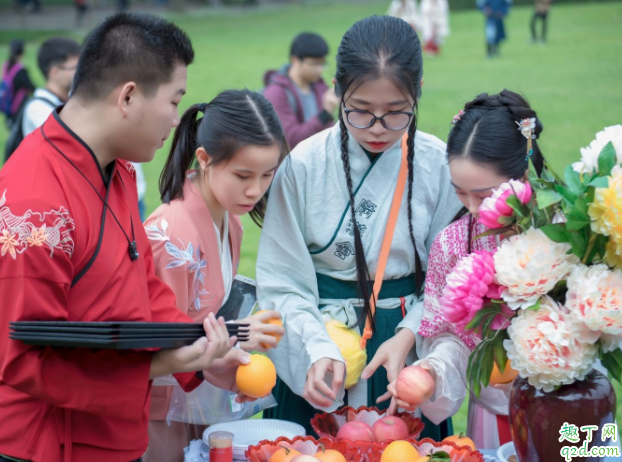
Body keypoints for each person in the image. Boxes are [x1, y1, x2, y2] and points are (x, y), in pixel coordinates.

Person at [0, 13, 251, 462]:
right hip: (49, 445)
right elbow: (23, 359)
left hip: (116, 435)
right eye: (174, 102)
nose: (177, 120)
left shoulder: (116, 167)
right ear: (129, 96)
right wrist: (161, 364)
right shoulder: (35, 206)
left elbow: (142, 285)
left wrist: (201, 351)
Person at [257, 15, 461, 439]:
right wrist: (314, 348)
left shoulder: (437, 163)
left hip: (405, 342)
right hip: (317, 339)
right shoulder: (303, 164)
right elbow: (282, 281)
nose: (377, 129)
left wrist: (407, 334)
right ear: (336, 90)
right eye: (361, 112)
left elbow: (452, 280)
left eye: (396, 114)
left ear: (418, 93)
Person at [143, 90, 288, 462]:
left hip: (193, 398)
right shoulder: (173, 231)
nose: (255, 190)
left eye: (267, 175)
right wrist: (239, 332)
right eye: (243, 175)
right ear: (204, 159)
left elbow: (201, 323)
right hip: (158, 408)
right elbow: (163, 339)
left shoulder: (231, 221)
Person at [409, 90, 545, 450]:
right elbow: (447, 334)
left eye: (485, 196)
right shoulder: (450, 244)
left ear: (523, 173)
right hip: (492, 414)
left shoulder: (562, 233)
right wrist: (432, 370)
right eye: (460, 194)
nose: (472, 208)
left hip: (568, 404)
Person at [263, 32, 339, 149]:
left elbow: (330, 132)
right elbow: (290, 141)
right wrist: (326, 113)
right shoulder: (276, 93)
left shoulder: (319, 85)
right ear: (295, 60)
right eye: (314, 64)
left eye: (322, 64)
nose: (319, 70)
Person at [22, 37, 81, 138]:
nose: (81, 71)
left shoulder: (70, 99)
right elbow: (68, 140)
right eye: (75, 67)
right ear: (54, 72)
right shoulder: (37, 108)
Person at [0, 39, 35, 127]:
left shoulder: (6, 65)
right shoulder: (20, 70)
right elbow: (31, 87)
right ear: (22, 52)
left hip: (8, 105)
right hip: (19, 108)